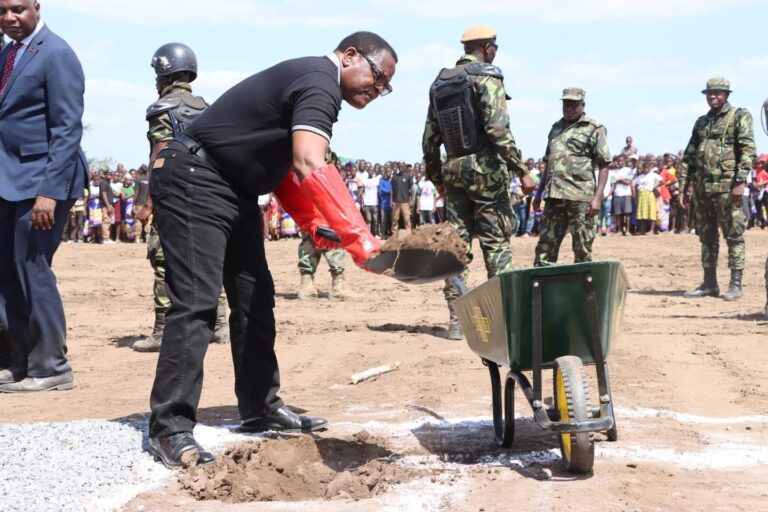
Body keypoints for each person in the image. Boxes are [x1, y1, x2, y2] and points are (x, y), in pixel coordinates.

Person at [145, 31, 396, 468]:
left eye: (384, 87)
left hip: (232, 188)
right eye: (376, 78)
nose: (376, 91)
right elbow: (310, 161)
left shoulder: (312, 83)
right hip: (194, 178)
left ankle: (260, 405)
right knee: (198, 305)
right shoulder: (321, 80)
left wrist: (316, 225)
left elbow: (283, 170)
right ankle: (170, 428)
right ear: (350, 55)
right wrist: (359, 238)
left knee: (255, 300)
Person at [422, 24, 534, 340]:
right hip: (487, 172)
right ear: (487, 47)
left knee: (456, 247)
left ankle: (458, 320)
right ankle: (506, 319)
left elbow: (430, 138)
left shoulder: (440, 82)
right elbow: (498, 130)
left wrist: (437, 178)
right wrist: (521, 169)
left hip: (454, 171)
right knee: (496, 243)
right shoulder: (488, 76)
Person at [0, 0, 88, 392]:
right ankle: (19, 360)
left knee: (32, 268)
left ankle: (51, 366)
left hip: (42, 182)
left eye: (17, 9)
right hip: (7, 180)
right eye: (1, 11)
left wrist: (50, 193)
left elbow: (68, 127)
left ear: (36, 6)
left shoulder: (56, 53)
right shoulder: (7, 54)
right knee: (6, 271)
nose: (9, 18)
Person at [131, 42, 230, 353]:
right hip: (207, 193)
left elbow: (158, 157)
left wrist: (148, 203)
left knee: (162, 258)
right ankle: (220, 324)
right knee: (209, 257)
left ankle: (163, 329)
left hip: (173, 193)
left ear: (164, 74)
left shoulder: (162, 109)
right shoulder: (208, 107)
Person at [679, 77, 755, 302]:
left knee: (734, 235)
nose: (713, 96)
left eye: (718, 93)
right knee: (706, 236)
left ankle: (735, 284)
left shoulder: (739, 116)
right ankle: (709, 283)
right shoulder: (701, 122)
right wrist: (683, 186)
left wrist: (740, 181)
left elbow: (747, 149)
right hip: (703, 189)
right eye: (710, 93)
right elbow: (689, 155)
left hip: (727, 188)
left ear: (727, 95)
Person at [532, 88, 610, 266]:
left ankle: (584, 290)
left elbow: (604, 164)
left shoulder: (594, 128)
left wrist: (597, 198)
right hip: (554, 197)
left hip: (580, 197)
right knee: (545, 247)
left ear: (583, 105)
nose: (569, 108)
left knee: (582, 246)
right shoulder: (556, 128)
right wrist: (538, 194)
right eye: (566, 104)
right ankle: (542, 288)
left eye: (574, 105)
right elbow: (548, 163)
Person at [390, 163, 412, 236]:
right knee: (395, 219)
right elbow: (392, 189)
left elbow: (410, 189)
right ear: (398, 167)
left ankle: (408, 234)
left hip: (405, 201)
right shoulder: (395, 177)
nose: (401, 167)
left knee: (407, 219)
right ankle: (394, 234)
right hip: (396, 202)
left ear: (405, 167)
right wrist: (391, 200)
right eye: (399, 166)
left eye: (402, 166)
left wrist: (411, 200)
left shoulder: (408, 176)